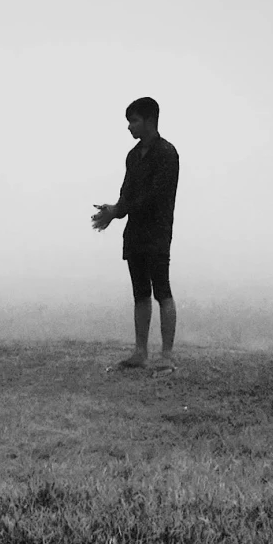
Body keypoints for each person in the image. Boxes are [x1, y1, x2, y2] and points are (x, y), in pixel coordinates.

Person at [91, 96, 179, 370]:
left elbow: (155, 196)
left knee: (161, 291)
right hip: (135, 234)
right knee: (140, 293)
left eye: (134, 121)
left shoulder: (167, 154)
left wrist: (119, 208)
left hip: (157, 232)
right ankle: (140, 353)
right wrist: (113, 211)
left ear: (150, 120)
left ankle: (166, 357)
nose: (130, 127)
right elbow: (127, 194)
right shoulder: (133, 156)